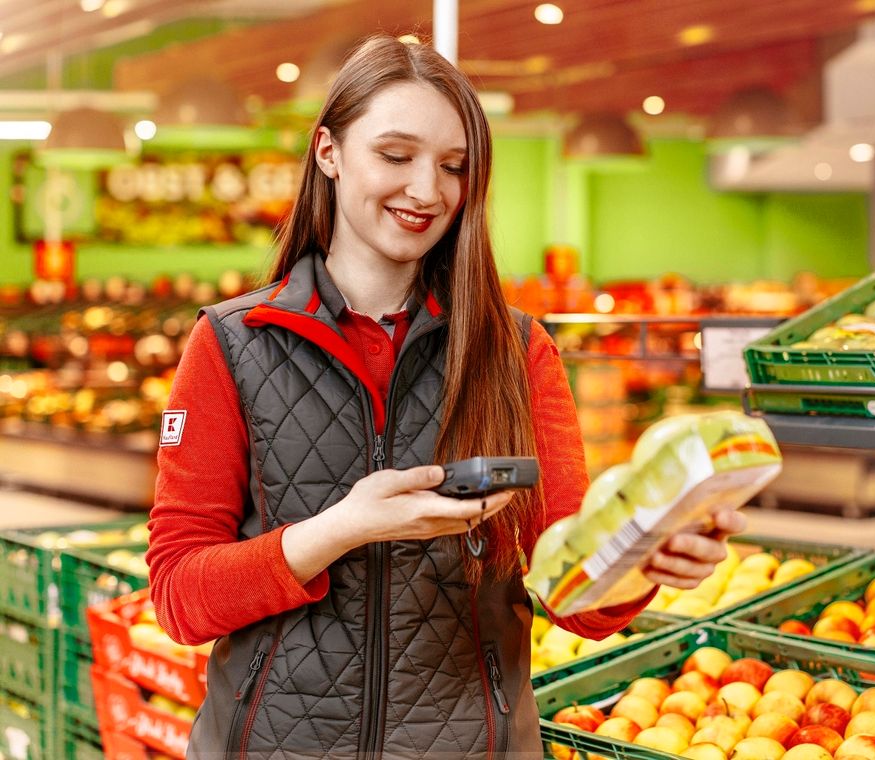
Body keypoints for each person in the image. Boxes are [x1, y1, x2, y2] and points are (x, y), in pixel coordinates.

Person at [146, 33, 745, 760]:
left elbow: (577, 600)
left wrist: (645, 557)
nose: (427, 191)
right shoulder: (233, 345)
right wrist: (343, 527)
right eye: (395, 156)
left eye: (453, 166)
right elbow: (181, 598)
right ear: (328, 152)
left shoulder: (517, 352)